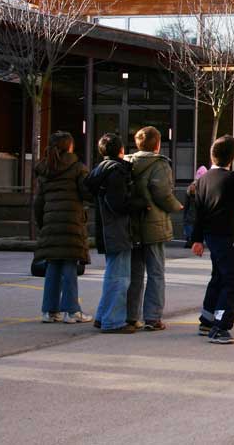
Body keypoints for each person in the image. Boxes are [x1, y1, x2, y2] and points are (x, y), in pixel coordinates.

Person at [86, 133, 148, 333]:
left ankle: (103, 316)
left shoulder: (100, 170)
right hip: (119, 229)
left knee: (113, 275)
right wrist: (140, 203)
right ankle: (113, 321)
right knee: (120, 277)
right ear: (121, 150)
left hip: (108, 229)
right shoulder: (116, 172)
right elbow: (119, 204)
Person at [192, 135, 234, 344]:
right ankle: (221, 325)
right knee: (232, 280)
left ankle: (207, 318)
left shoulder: (202, 180)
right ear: (232, 158)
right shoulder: (232, 179)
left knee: (218, 276)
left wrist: (196, 239)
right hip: (227, 234)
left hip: (210, 235)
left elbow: (198, 212)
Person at [126, 126, 184, 331]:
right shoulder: (160, 164)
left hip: (132, 223)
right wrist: (176, 206)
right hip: (154, 223)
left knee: (134, 272)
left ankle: (131, 315)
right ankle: (152, 317)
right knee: (156, 272)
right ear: (158, 144)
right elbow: (162, 192)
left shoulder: (126, 162)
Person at [34, 131, 92, 324]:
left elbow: (38, 202)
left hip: (50, 222)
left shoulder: (45, 169)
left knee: (53, 266)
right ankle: (72, 311)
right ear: (70, 146)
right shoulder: (77, 168)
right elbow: (86, 193)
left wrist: (43, 224)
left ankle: (49, 311)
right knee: (69, 266)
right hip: (71, 222)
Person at [182, 165, 208, 248]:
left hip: (191, 212)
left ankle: (189, 240)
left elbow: (186, 203)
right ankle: (198, 240)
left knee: (189, 225)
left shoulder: (191, 187)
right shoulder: (205, 186)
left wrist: (185, 214)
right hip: (200, 213)